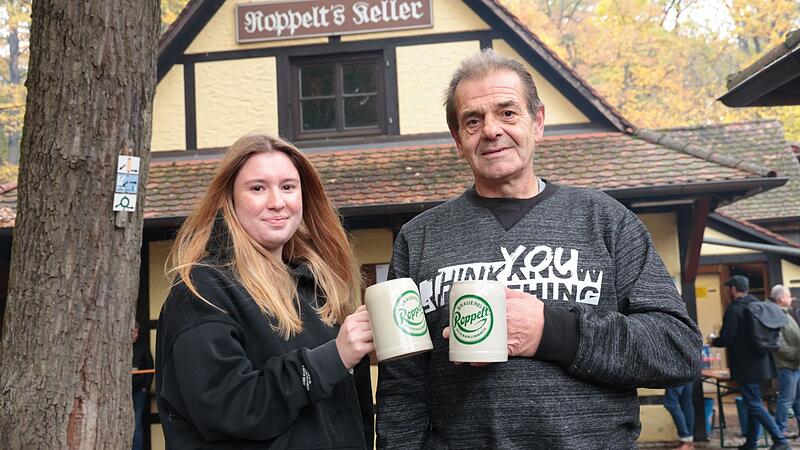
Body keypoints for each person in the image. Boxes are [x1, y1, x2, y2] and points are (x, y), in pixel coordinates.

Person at [375, 48, 702, 449]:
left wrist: (552, 331)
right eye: (472, 121)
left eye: (508, 112)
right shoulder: (418, 237)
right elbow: (402, 385)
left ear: (538, 122)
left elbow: (677, 349)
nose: (491, 130)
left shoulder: (605, 220)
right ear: (458, 140)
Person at [155, 133, 374, 449]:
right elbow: (231, 409)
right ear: (228, 199)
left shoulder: (319, 289)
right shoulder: (201, 291)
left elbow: (354, 415)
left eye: (288, 187)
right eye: (258, 188)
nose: (277, 202)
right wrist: (332, 357)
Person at [711, 275, 790, 450]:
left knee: (753, 403)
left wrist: (713, 342)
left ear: (732, 289)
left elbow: (727, 337)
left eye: (727, 289)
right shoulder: (758, 305)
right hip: (763, 364)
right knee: (754, 402)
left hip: (746, 365)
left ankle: (780, 440)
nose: (726, 292)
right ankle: (752, 443)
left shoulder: (735, 309)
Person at [772, 284, 800, 438]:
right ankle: (779, 432)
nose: (792, 298)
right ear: (781, 299)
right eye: (789, 295)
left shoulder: (786, 313)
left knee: (798, 399)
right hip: (787, 365)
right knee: (786, 399)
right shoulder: (776, 315)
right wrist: (796, 355)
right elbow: (779, 344)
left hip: (795, 364)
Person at [131, 321, 153, 450]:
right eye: (131, 331)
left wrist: (146, 387)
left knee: (136, 422)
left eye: (135, 331)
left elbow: (150, 367)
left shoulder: (143, 347)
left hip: (139, 390)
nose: (133, 334)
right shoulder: (119, 347)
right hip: (122, 392)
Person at [663, 382, 695, 449]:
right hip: (689, 373)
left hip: (675, 374)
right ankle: (688, 441)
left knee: (670, 404)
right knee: (686, 403)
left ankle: (686, 439)